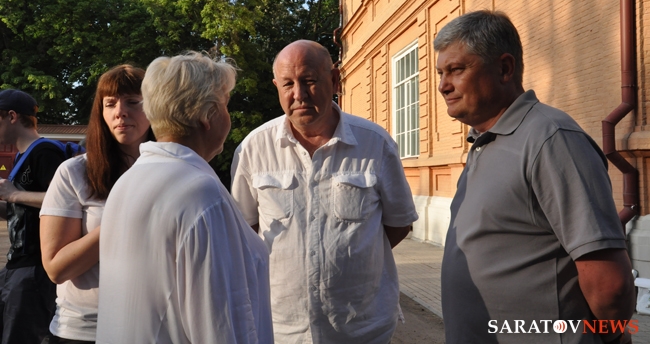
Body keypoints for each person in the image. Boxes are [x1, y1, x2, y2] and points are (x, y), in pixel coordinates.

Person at [434, 10, 636, 344]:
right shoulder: (486, 142)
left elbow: (609, 284)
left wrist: (612, 338)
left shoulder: (551, 139)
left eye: (456, 70)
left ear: (504, 68)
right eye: (440, 73)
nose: (443, 85)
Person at [231, 40, 419, 343]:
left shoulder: (374, 143)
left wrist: (351, 259)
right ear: (276, 86)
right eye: (288, 84)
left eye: (309, 81)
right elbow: (245, 231)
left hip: (360, 328)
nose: (299, 94)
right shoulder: (254, 149)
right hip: (282, 329)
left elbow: (399, 223)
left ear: (334, 79)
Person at [96, 52, 273, 344]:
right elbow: (220, 324)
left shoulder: (129, 181)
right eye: (225, 105)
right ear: (208, 115)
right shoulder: (201, 194)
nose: (228, 117)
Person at [39, 65, 153, 343]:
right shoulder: (74, 172)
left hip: (155, 328)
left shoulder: (173, 171)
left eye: (133, 102)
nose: (120, 112)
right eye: (110, 104)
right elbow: (56, 268)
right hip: (85, 330)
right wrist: (122, 219)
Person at [0, 89, 66, 343]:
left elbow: (64, 203)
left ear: (12, 116)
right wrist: (9, 200)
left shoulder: (45, 152)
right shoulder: (21, 157)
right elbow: (23, 210)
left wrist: (14, 194)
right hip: (18, 263)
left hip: (36, 267)